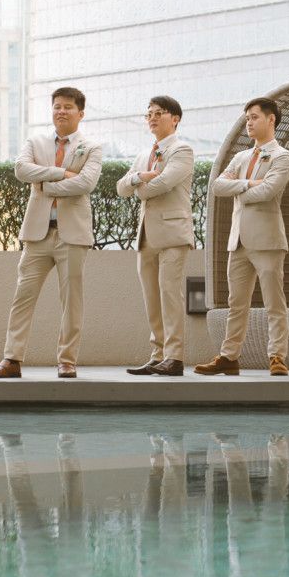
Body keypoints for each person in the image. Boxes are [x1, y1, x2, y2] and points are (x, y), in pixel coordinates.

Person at [0, 87, 103, 378]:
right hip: (37, 234)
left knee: (71, 300)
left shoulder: (92, 148)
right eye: (57, 106)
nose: (61, 111)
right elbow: (21, 170)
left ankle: (67, 360)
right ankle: (11, 359)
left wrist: (45, 185)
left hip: (72, 235)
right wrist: (60, 173)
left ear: (80, 113)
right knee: (22, 296)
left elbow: (85, 183)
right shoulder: (35, 142)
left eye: (68, 107)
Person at [195, 97, 289, 377]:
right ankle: (229, 357)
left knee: (274, 302)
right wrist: (249, 183)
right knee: (235, 303)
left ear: (271, 119)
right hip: (237, 241)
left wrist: (238, 190)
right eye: (247, 118)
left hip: (267, 240)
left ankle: (277, 356)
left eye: (254, 117)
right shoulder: (240, 157)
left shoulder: (282, 156)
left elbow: (269, 191)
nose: (248, 123)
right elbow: (217, 186)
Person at [119, 95, 196, 377]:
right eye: (148, 113)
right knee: (152, 297)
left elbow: (164, 183)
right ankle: (158, 355)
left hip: (173, 233)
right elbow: (121, 187)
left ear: (175, 119)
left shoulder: (182, 149)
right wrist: (139, 177)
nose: (152, 118)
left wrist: (138, 187)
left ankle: (174, 357)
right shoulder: (144, 154)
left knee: (169, 294)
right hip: (146, 235)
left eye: (158, 113)